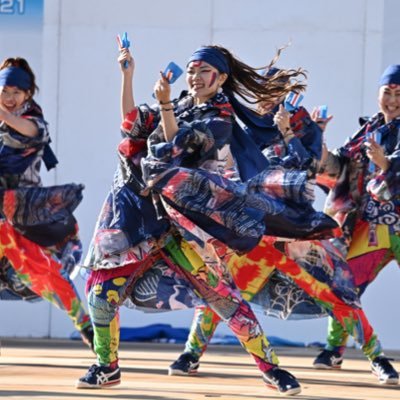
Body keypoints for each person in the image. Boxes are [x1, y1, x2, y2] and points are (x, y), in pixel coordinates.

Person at [76, 45, 338, 396]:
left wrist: (166, 105)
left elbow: (176, 146)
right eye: (191, 71)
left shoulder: (220, 117)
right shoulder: (181, 103)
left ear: (222, 78)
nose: (195, 78)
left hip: (188, 223)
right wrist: (127, 75)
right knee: (100, 292)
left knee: (225, 299)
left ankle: (272, 369)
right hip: (143, 216)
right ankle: (107, 366)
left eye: (203, 71)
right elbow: (132, 127)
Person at [164, 67, 398, 386]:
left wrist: (289, 134)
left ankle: (377, 358)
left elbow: (309, 170)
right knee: (221, 291)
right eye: (262, 93)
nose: (267, 100)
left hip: (293, 234)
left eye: (274, 93)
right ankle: (191, 353)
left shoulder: (296, 130)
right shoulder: (234, 129)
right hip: (253, 235)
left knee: (338, 292)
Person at [312, 65, 400, 384]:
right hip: (372, 228)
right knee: (345, 286)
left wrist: (386, 164)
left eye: (399, 94)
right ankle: (335, 348)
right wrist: (316, 138)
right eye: (387, 92)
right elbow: (335, 168)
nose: (392, 100)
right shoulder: (368, 131)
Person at [0, 57, 93, 348]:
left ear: (28, 94)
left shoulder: (35, 123)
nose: (10, 98)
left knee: (42, 274)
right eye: (4, 91)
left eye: (16, 92)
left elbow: (24, 130)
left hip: (21, 214)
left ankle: (86, 326)